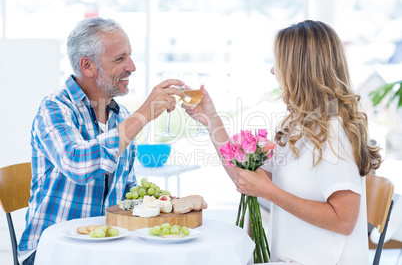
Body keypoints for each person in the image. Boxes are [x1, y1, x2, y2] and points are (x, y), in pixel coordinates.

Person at [182, 20, 382, 264]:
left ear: (299, 69)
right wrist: (212, 120)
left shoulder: (335, 130)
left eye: (278, 62)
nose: (273, 71)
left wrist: (270, 192)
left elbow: (344, 221)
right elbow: (245, 178)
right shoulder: (296, 126)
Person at [18, 17, 185, 265]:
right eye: (120, 59)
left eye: (130, 55)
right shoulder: (55, 108)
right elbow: (78, 164)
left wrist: (158, 203)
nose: (132, 66)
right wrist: (143, 115)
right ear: (88, 66)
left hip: (106, 248)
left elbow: (126, 190)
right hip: (54, 251)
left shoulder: (122, 117)